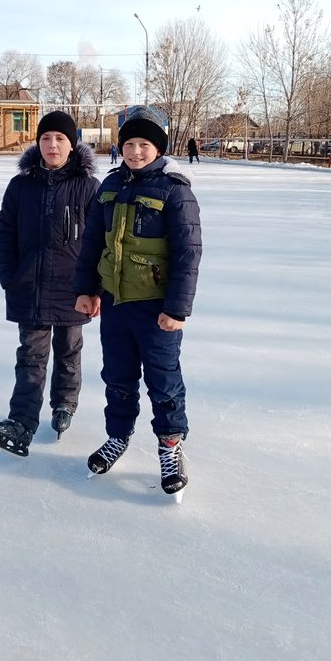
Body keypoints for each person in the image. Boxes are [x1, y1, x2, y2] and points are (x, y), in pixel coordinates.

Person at [73, 107, 202, 497]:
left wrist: (176, 308)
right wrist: (87, 288)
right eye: (129, 143)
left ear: (158, 148)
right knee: (118, 376)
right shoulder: (109, 187)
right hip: (115, 302)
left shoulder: (176, 190)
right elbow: (92, 242)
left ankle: (170, 446)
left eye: (144, 144)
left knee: (163, 382)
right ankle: (118, 436)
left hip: (156, 306)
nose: (135, 151)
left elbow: (188, 252)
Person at [0, 111, 99, 457]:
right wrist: (9, 275)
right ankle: (21, 422)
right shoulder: (21, 185)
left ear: (72, 144)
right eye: (46, 138)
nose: (53, 145)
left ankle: (64, 403)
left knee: (69, 350)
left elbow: (100, 242)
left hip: (73, 287)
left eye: (60, 139)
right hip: (30, 285)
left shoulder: (88, 187)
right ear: (38, 143)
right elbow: (5, 232)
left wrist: (94, 288)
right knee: (31, 356)